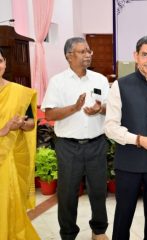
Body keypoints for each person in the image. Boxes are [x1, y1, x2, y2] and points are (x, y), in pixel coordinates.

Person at [104, 36, 147, 240]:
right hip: (128, 161)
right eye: (145, 55)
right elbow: (110, 127)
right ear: (136, 56)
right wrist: (139, 140)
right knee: (123, 216)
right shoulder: (120, 85)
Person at [41, 37, 109, 240]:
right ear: (69, 56)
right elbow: (50, 114)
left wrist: (100, 109)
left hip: (96, 143)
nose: (88, 54)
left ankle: (99, 231)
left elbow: (111, 109)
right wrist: (74, 108)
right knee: (68, 194)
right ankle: (68, 234)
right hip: (68, 147)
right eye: (82, 51)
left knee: (98, 191)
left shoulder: (100, 80)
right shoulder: (57, 81)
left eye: (89, 51)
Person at [0, 48, 40, 239]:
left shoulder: (19, 93)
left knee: (10, 202)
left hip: (10, 159)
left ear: (5, 63)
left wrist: (22, 124)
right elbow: (6, 128)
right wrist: (5, 129)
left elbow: (31, 124)